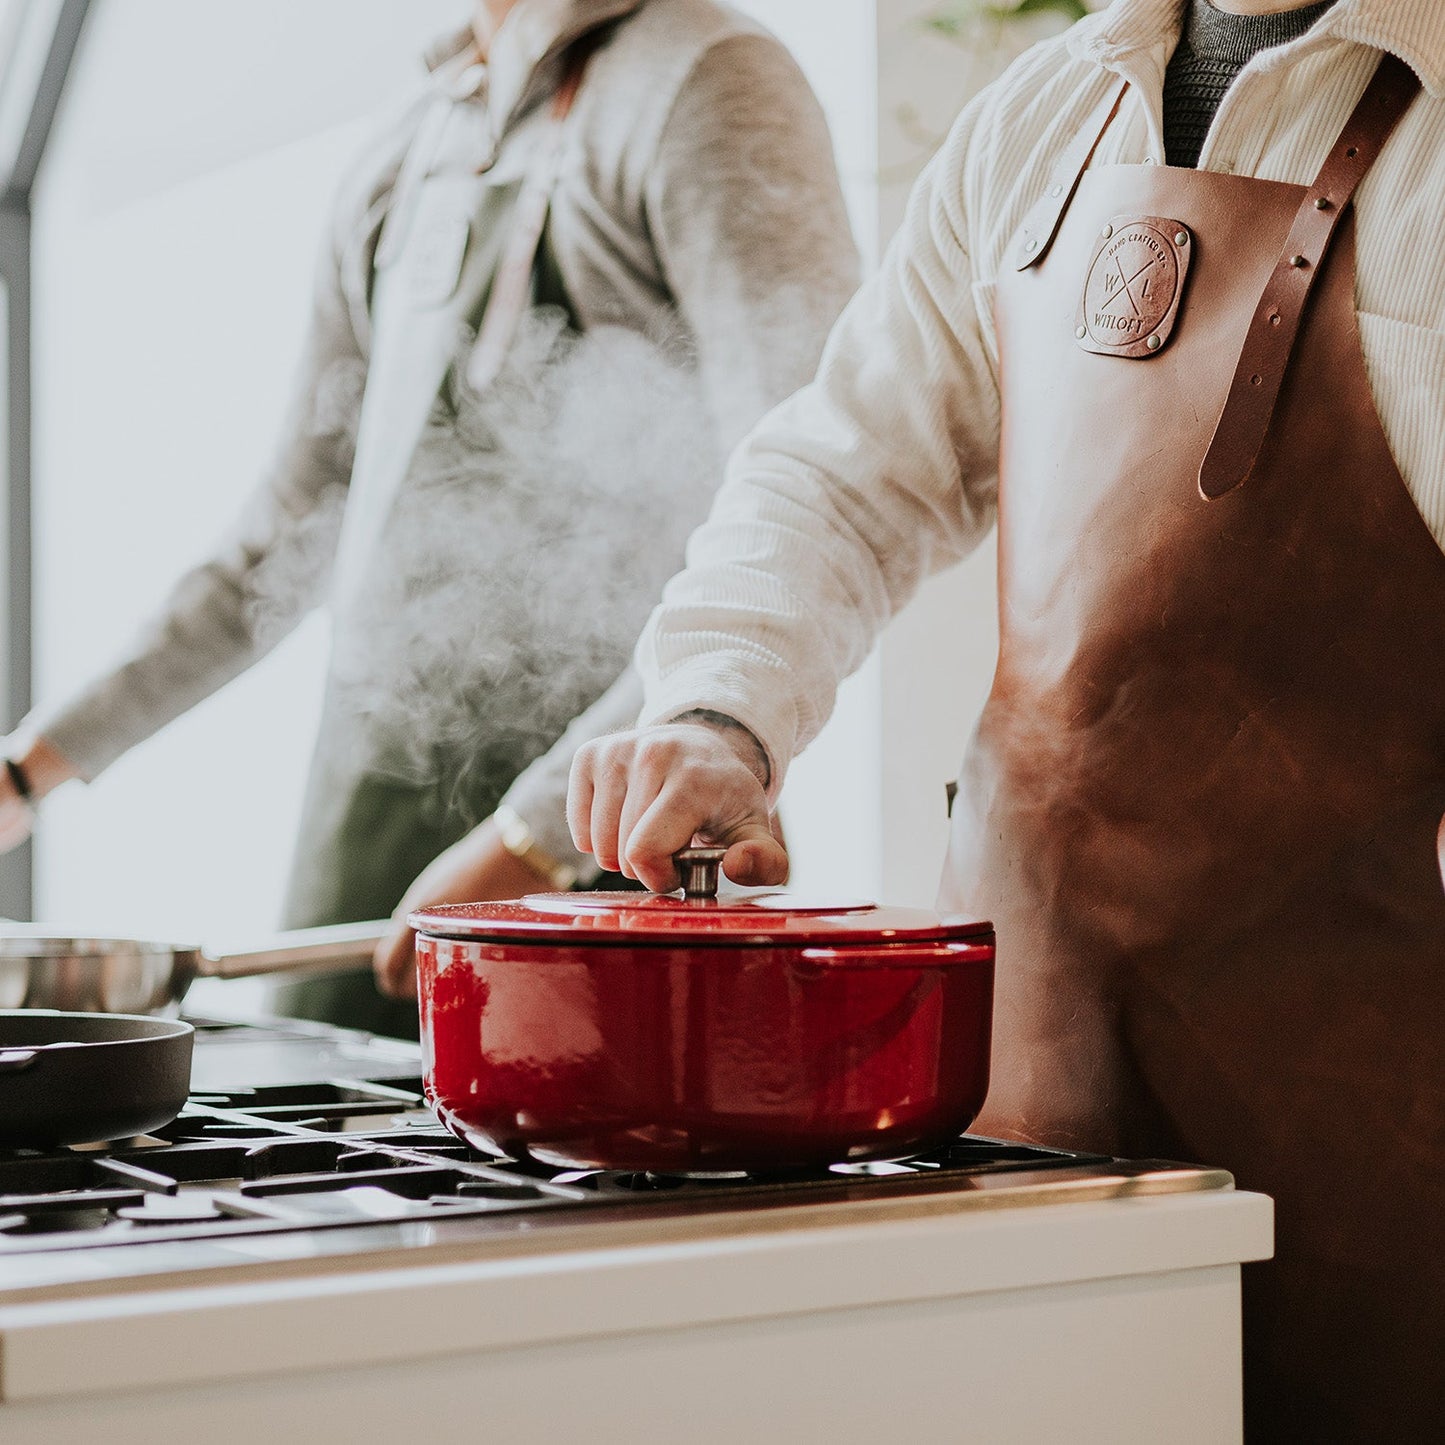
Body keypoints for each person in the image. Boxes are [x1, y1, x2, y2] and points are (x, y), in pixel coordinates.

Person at [566, 0, 1445, 1437]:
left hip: (1382, 1112)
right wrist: (720, 710)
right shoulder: (1041, 110)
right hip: (1023, 1073)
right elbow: (847, 471)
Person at [0, 0, 858, 1036]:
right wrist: (27, 768)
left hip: (607, 836)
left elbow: (802, 509)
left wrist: (533, 840)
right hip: (365, 823)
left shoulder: (708, 79)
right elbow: (282, 537)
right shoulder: (412, 140)